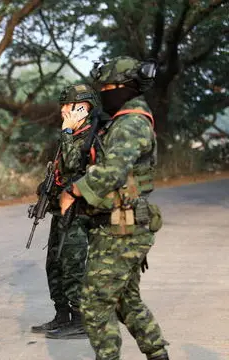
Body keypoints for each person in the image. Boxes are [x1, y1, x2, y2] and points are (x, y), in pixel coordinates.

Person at [59, 56, 169, 359]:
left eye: (107, 87)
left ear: (124, 87)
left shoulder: (131, 122)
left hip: (123, 227)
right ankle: (158, 354)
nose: (104, 92)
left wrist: (74, 191)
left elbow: (113, 170)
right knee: (126, 302)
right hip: (121, 224)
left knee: (95, 305)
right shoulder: (121, 120)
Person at [31, 84, 100, 340]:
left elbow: (74, 164)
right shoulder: (70, 135)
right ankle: (61, 315)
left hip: (79, 213)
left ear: (84, 107)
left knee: (72, 265)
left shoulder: (90, 136)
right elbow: (61, 171)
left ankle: (80, 320)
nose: (62, 110)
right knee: (54, 264)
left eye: (68, 105)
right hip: (61, 212)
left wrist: (67, 132)